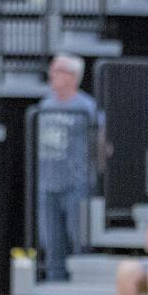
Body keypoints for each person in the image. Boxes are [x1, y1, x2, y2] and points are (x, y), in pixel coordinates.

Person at [37, 53, 105, 280]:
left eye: (58, 70)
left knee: (80, 238)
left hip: (77, 184)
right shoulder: (45, 104)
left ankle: (82, 286)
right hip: (47, 184)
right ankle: (54, 287)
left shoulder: (87, 107)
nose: (51, 74)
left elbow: (101, 144)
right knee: (52, 241)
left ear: (73, 76)